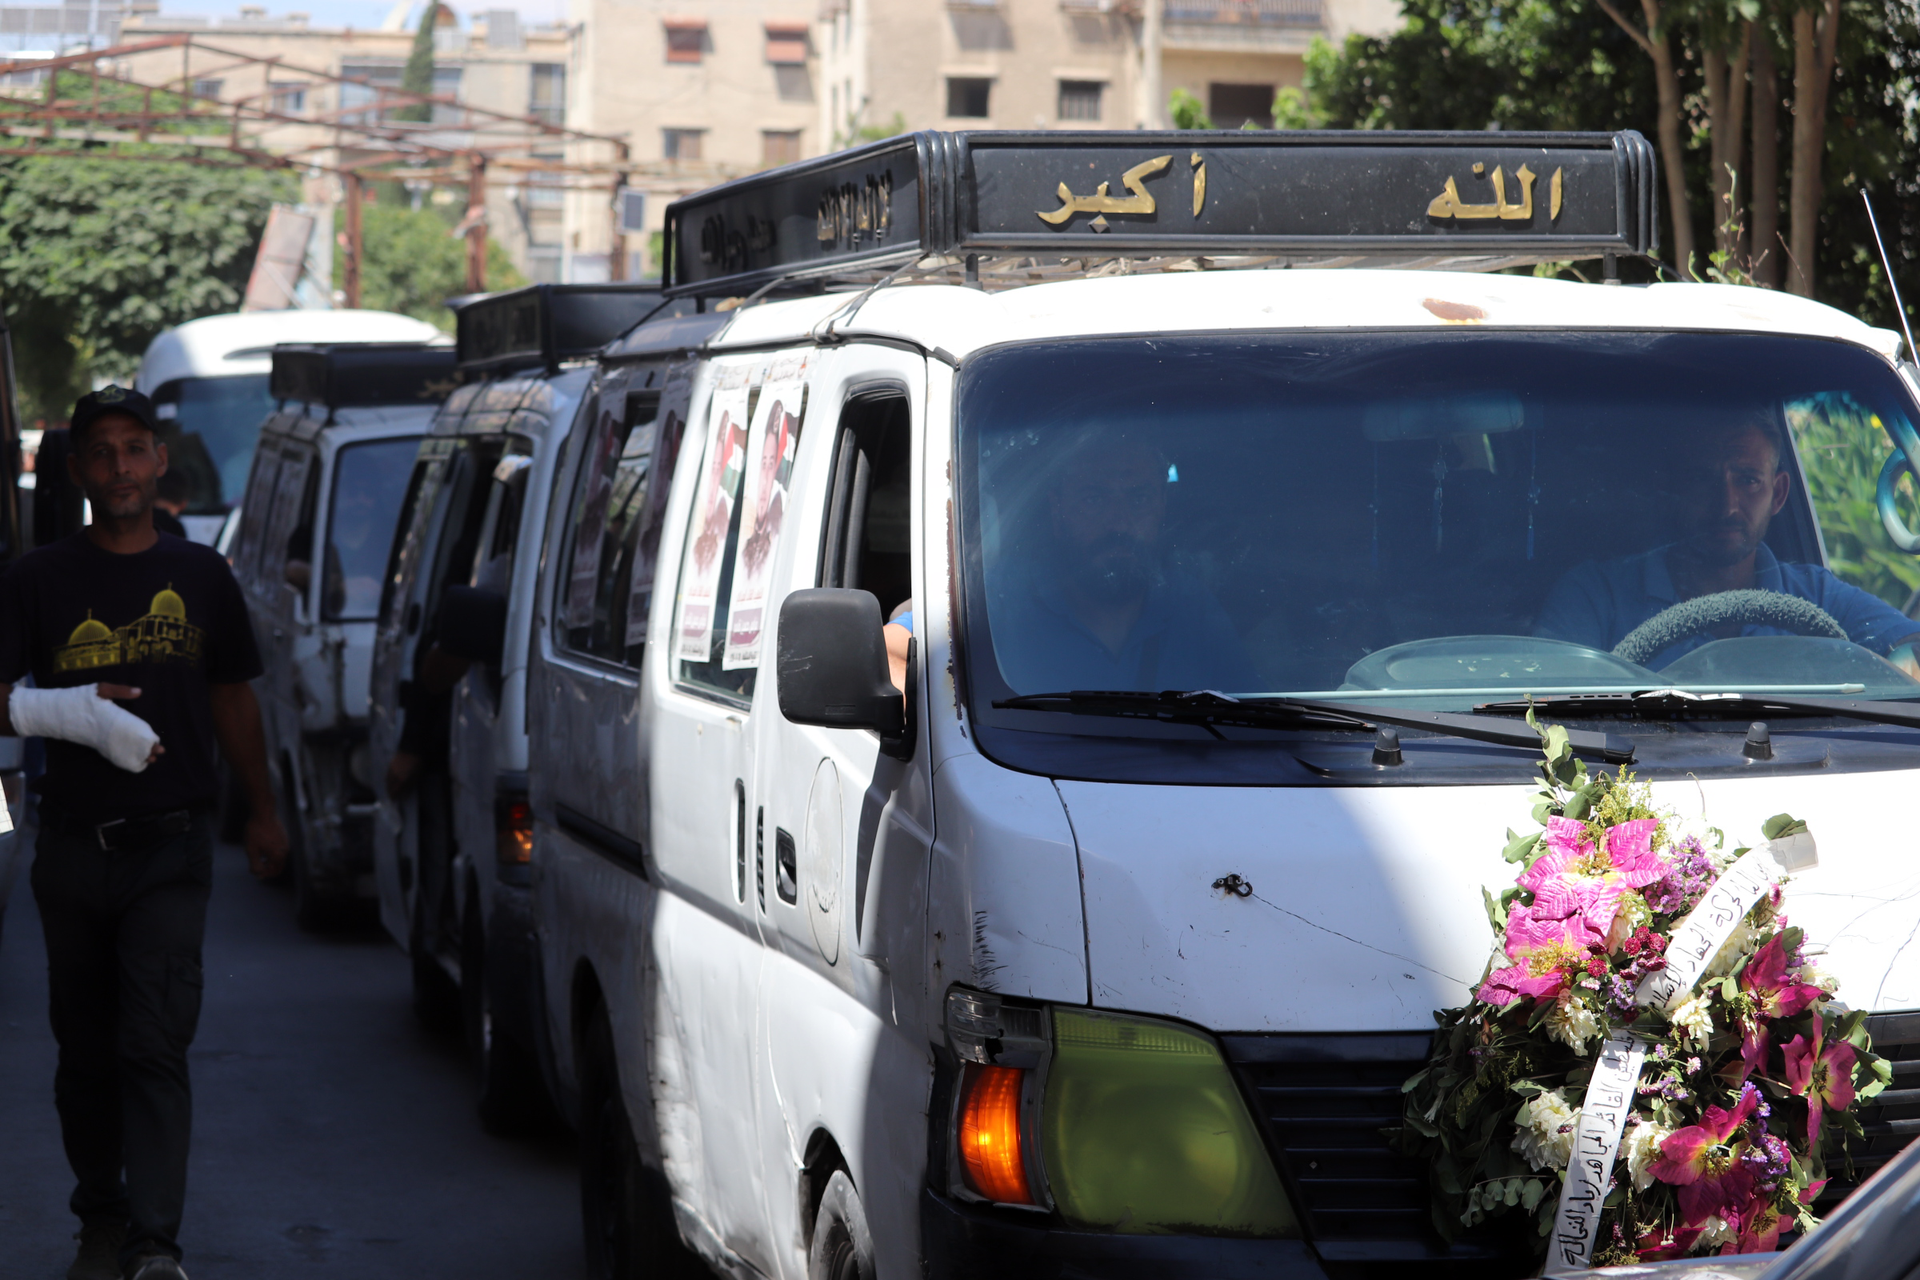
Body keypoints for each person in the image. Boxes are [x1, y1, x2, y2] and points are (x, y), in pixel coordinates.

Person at [0, 385, 289, 1280]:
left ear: (160, 462)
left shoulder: (202, 575)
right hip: (72, 849)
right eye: (101, 452)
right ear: (78, 469)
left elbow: (233, 696)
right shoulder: (37, 579)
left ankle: (156, 1244)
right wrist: (72, 713)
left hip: (170, 845)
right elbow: (3, 704)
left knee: (152, 1043)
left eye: (135, 449)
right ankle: (103, 1218)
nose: (119, 467)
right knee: (85, 1054)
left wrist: (266, 808)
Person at [1535, 412, 1920, 670]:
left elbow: (1909, 650)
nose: (1727, 505)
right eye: (1703, 479)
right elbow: (1543, 713)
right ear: (1672, 488)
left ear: (1779, 493)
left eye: (1748, 480)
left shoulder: (1817, 596)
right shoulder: (1597, 596)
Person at [983, 434, 1257, 693]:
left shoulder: (1191, 607)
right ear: (1058, 510)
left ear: (1162, 506)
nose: (1119, 523)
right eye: (1094, 500)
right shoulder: (999, 607)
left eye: (1139, 499)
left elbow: (1253, 722)